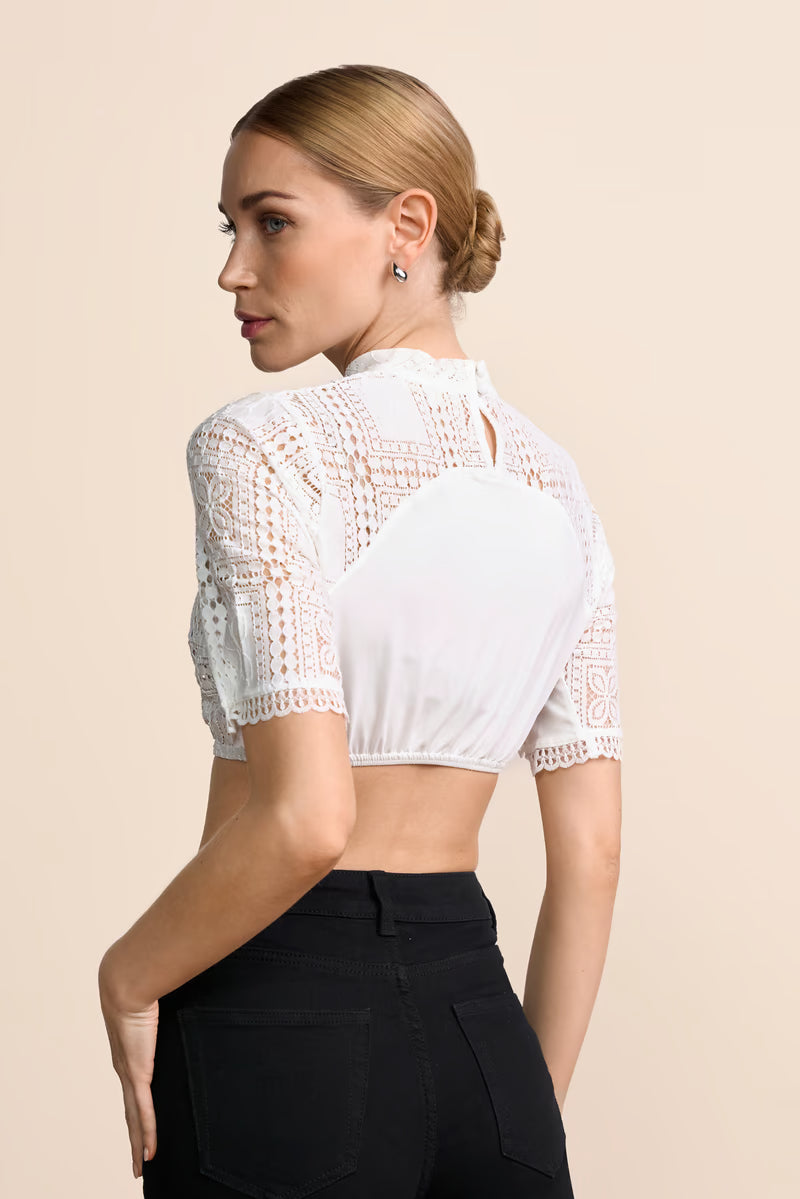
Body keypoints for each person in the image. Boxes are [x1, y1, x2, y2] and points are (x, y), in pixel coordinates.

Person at [98, 64, 622, 1198]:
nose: (234, 269)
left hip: (282, 1006)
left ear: (407, 226)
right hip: (482, 1026)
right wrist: (522, 1108)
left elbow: (305, 818)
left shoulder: (263, 445)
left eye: (272, 221)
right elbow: (590, 852)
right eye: (230, 226)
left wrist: (128, 976)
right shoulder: (558, 487)